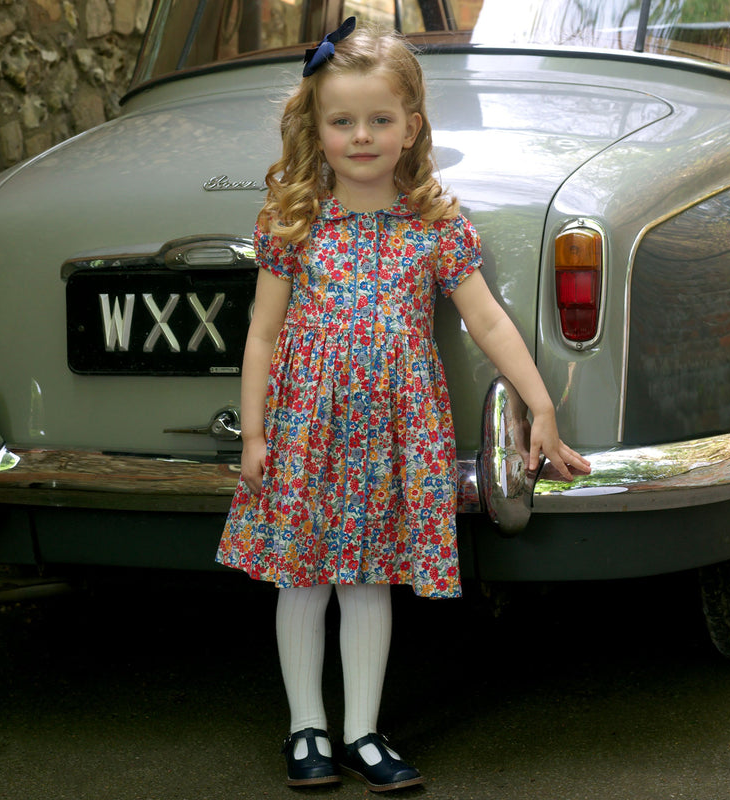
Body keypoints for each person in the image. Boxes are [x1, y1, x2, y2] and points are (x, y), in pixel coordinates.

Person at [216, 17, 591, 793]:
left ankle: (361, 730)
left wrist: (540, 402)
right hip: (306, 430)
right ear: (315, 129)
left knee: (368, 581)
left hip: (391, 432)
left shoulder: (433, 225)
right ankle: (306, 727)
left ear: (411, 126)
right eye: (343, 121)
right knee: (303, 578)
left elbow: (486, 318)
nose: (361, 137)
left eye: (379, 120)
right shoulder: (295, 221)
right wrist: (254, 432)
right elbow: (261, 334)